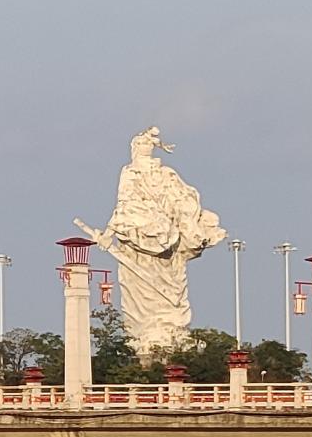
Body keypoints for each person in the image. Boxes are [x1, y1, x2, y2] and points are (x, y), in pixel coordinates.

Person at [74, 127, 225, 354]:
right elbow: (125, 207)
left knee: (168, 287)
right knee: (141, 293)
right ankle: (148, 339)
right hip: (138, 247)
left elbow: (126, 207)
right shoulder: (139, 173)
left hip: (162, 245)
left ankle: (168, 335)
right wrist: (111, 233)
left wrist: (110, 232)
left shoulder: (157, 175)